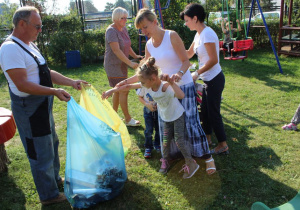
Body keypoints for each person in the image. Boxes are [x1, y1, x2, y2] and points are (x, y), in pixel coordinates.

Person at [0, 6, 87, 205]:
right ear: (22, 24)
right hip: (29, 108)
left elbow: (45, 71)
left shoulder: (29, 44)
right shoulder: (10, 48)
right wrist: (54, 91)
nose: (40, 30)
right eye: (37, 26)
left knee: (51, 143)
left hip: (41, 104)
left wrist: (70, 82)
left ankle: (55, 179)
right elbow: (22, 84)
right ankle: (48, 195)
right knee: (39, 150)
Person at [116, 8, 216, 175]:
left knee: (191, 123)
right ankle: (173, 157)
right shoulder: (149, 45)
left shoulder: (172, 36)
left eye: (145, 27)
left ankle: (208, 158)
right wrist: (125, 82)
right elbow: (144, 71)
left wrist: (179, 74)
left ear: (155, 22)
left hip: (182, 86)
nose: (144, 32)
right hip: (164, 92)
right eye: (141, 29)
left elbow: (186, 61)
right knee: (167, 126)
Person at [180, 3, 228, 155]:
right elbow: (188, 54)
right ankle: (207, 139)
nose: (185, 23)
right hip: (208, 80)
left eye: (187, 20)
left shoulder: (207, 34)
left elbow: (213, 60)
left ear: (195, 18)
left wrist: (197, 73)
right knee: (205, 111)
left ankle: (223, 144)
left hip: (215, 79)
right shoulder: (199, 34)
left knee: (213, 113)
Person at [104, 7, 143, 126]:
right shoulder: (111, 31)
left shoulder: (123, 29)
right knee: (123, 91)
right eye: (122, 18)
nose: (125, 20)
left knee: (117, 91)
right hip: (114, 66)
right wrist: (130, 63)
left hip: (122, 65)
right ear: (116, 18)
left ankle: (113, 117)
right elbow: (116, 50)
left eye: (126, 18)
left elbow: (127, 46)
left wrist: (135, 55)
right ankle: (127, 119)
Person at [102, 83, 160, 158]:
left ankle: (157, 144)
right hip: (148, 111)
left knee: (159, 129)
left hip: (160, 112)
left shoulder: (159, 85)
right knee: (149, 130)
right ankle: (148, 147)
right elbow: (140, 97)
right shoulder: (144, 85)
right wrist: (147, 104)